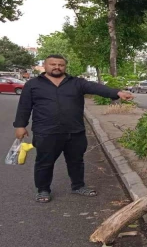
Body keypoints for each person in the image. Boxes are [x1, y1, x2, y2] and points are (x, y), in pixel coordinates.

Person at [13, 54, 134, 203]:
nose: (57, 67)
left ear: (65, 67)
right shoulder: (33, 84)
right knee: (44, 162)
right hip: (46, 132)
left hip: (74, 131)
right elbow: (24, 106)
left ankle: (78, 186)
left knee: (76, 161)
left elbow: (95, 87)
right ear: (45, 66)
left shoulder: (76, 83)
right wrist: (20, 125)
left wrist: (117, 93)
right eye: (53, 64)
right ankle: (43, 190)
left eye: (61, 65)